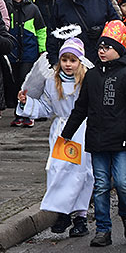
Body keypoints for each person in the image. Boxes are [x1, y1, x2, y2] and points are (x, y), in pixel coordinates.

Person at [60, 20, 126, 247]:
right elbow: (81, 108)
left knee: (123, 182)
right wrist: (67, 133)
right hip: (97, 139)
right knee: (100, 185)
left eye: (107, 47)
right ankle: (103, 230)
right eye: (99, 47)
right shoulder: (92, 76)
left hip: (121, 140)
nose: (102, 51)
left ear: (118, 50)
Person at [16, 37, 93, 238]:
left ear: (80, 61)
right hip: (61, 131)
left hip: (82, 131)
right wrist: (27, 103)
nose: (68, 65)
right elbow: (46, 108)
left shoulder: (87, 81)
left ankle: (80, 217)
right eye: (65, 60)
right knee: (58, 170)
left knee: (80, 173)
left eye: (73, 60)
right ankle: (63, 213)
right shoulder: (52, 82)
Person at [47, 0, 119, 65]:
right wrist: (54, 61)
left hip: (99, 59)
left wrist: (102, 30)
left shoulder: (103, 1)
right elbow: (52, 34)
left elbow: (116, 25)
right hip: (71, 62)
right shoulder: (60, 4)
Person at [6, 0, 46, 128]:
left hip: (29, 52)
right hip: (12, 52)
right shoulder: (7, 8)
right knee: (15, 83)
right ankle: (18, 114)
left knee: (26, 83)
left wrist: (42, 49)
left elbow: (41, 30)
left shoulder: (33, 9)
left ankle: (28, 114)